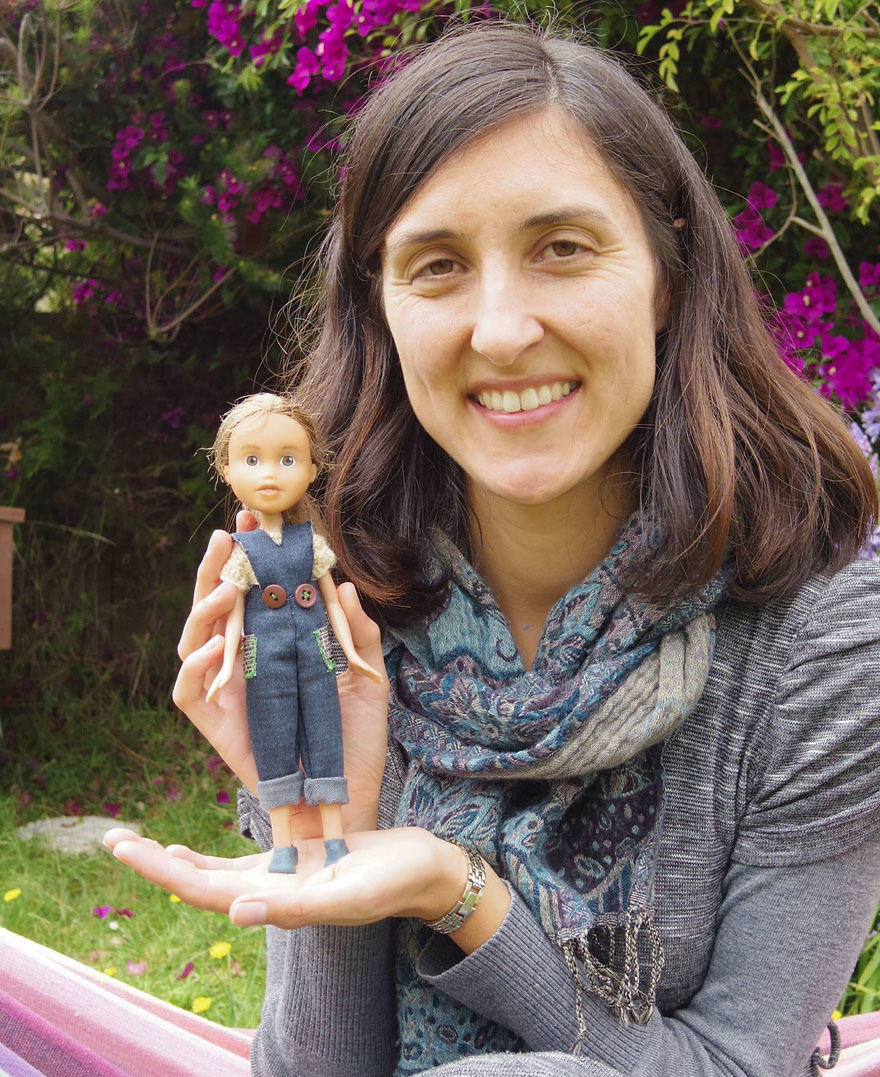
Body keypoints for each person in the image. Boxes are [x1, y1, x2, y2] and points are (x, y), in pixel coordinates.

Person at [106, 21, 880, 1077]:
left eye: (562, 248)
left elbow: (737, 1067)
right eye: (438, 267)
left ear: (666, 275)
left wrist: (458, 894)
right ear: (379, 310)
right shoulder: (342, 616)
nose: (503, 330)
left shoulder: (821, 648)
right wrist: (325, 827)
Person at [204, 393, 383, 874]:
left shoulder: (311, 543)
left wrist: (351, 653)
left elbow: (332, 602)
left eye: (287, 459)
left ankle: (335, 839)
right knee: (272, 740)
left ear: (311, 469)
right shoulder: (241, 550)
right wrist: (224, 665)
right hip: (264, 661)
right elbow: (235, 617)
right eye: (251, 460)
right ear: (226, 470)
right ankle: (283, 845)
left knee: (326, 736)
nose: (269, 473)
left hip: (317, 655)